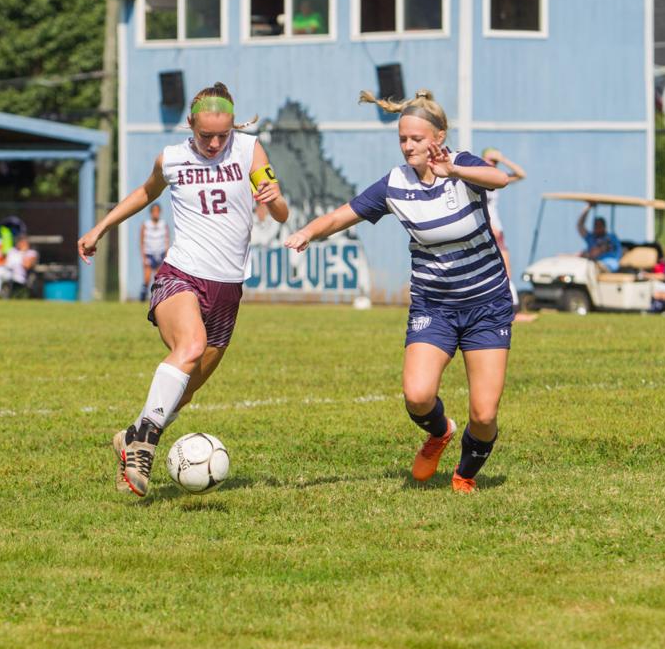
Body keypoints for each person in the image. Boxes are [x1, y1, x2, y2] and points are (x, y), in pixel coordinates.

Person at [285, 89, 513, 493]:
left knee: (484, 412)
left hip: (486, 305)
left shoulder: (461, 165)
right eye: (403, 139)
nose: (408, 146)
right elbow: (342, 214)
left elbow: (501, 178)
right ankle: (440, 433)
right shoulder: (395, 184)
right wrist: (307, 232)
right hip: (434, 305)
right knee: (418, 395)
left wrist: (455, 173)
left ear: (438, 138)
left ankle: (464, 474)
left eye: (416, 139)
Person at [78, 82, 289, 497]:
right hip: (181, 275)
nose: (213, 143)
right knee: (190, 346)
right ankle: (144, 447)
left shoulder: (249, 151)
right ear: (189, 124)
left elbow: (279, 212)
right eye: (205, 135)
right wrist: (100, 227)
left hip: (228, 290)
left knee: (185, 390)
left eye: (221, 135)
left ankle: (133, 433)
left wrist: (275, 197)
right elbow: (144, 192)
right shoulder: (171, 159)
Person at [480, 147, 534, 321]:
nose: (492, 164)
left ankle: (512, 311)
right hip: (484, 230)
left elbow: (521, 174)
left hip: (497, 229)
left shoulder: (497, 178)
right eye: (490, 160)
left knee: (506, 271)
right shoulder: (477, 176)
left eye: (494, 162)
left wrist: (502, 159)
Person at [0, 234, 38, 299]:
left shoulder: (31, 253)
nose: (20, 243)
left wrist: (23, 252)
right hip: (6, 273)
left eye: (22, 242)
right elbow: (5, 263)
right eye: (19, 242)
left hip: (18, 276)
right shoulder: (12, 251)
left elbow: (27, 266)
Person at [576, 205, 622, 271]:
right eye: (595, 226)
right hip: (592, 265)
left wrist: (584, 254)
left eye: (599, 226)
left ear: (604, 227)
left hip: (608, 265)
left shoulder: (611, 238)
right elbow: (580, 226)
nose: (597, 228)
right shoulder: (591, 237)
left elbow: (595, 252)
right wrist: (588, 207)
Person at [139, 203, 170, 301]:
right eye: (154, 211)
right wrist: (143, 257)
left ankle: (157, 298)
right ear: (151, 213)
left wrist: (166, 254)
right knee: (147, 278)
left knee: (158, 278)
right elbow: (142, 241)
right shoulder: (146, 224)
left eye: (157, 211)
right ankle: (142, 298)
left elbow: (166, 240)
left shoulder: (163, 224)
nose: (156, 213)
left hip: (160, 254)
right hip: (149, 254)